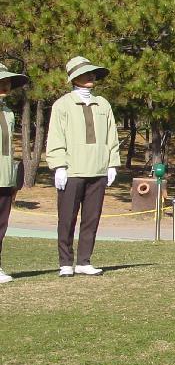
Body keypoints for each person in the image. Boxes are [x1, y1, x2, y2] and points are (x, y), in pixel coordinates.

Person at [45, 56, 120, 277]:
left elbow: (112, 136)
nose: (91, 76)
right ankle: (65, 262)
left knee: (91, 218)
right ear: (74, 78)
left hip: (98, 170)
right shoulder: (62, 105)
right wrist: (59, 166)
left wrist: (112, 164)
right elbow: (56, 137)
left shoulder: (103, 104)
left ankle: (84, 261)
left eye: (92, 73)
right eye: (86, 73)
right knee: (67, 219)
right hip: (72, 170)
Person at [0, 64, 29, 284]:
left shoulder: (8, 112)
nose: (6, 85)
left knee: (1, 224)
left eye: (8, 81)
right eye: (1, 81)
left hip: (4, 177)